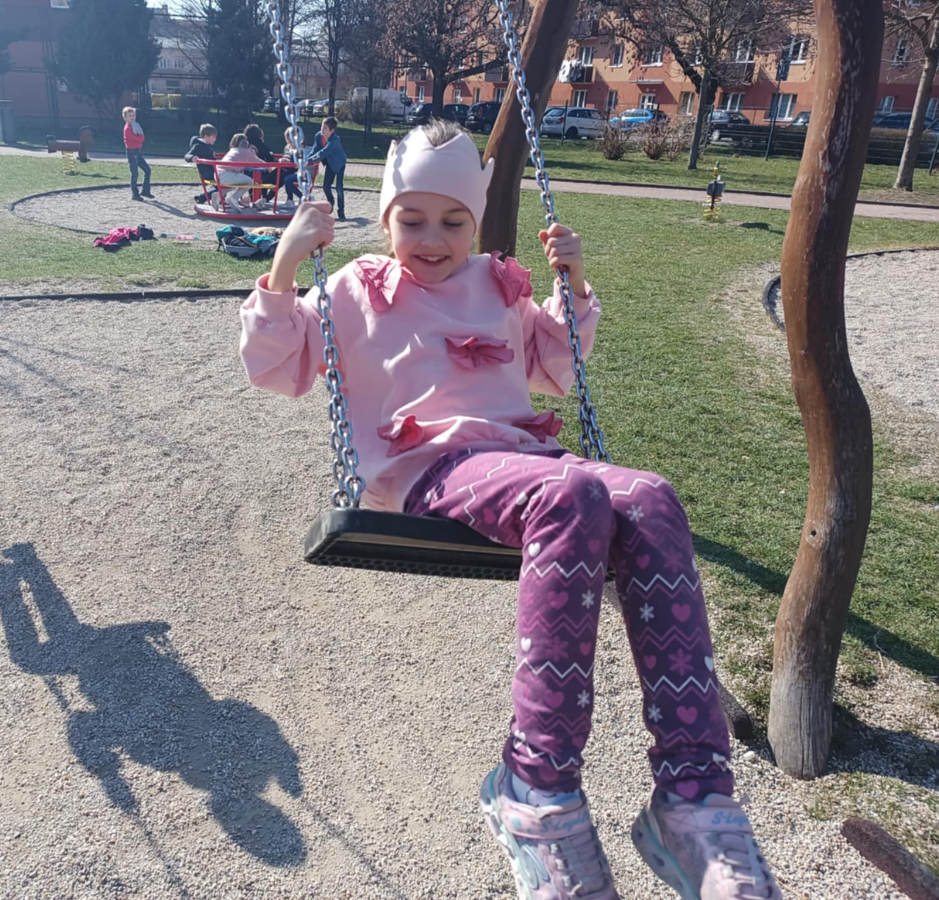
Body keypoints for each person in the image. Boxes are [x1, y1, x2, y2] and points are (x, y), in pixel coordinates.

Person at [239, 119, 782, 900]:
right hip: (429, 469)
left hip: (525, 463)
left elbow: (558, 363)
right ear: (387, 218)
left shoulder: (498, 284)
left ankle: (693, 800)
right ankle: (537, 790)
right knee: (572, 492)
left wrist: (575, 284)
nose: (432, 239)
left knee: (652, 497)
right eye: (412, 219)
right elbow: (275, 365)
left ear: (477, 222)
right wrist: (287, 263)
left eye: (453, 221)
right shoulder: (357, 288)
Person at [306, 116, 347, 220]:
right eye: (322, 127)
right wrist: (307, 159)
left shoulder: (334, 140)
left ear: (332, 130)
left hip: (339, 163)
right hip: (330, 164)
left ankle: (341, 210)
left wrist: (310, 160)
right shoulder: (318, 136)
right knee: (326, 186)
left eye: (325, 128)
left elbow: (323, 152)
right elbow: (315, 149)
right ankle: (331, 202)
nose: (322, 130)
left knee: (339, 187)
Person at [217, 134, 263, 210]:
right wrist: (270, 167)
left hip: (218, 174)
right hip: (227, 174)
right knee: (249, 182)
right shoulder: (244, 151)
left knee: (235, 183)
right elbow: (257, 161)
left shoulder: (232, 150)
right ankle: (234, 198)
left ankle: (218, 195)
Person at [122, 106, 152, 201]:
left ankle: (146, 190)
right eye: (130, 116)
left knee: (147, 170)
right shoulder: (128, 129)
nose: (132, 117)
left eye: (133, 115)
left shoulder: (134, 126)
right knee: (134, 173)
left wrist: (140, 137)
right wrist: (140, 136)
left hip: (137, 151)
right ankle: (135, 194)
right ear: (125, 117)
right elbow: (140, 139)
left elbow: (141, 138)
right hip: (131, 152)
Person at [185, 123, 218, 205]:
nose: (215, 139)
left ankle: (204, 198)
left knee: (222, 187)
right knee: (222, 187)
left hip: (213, 171)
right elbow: (187, 155)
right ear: (206, 137)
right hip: (207, 173)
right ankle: (202, 197)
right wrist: (193, 158)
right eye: (213, 137)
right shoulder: (198, 146)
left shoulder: (207, 145)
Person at [280, 127, 303, 204]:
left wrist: (290, 162)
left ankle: (300, 197)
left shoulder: (300, 148)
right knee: (283, 176)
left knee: (287, 179)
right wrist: (283, 160)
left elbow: (299, 163)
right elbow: (286, 156)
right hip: (290, 170)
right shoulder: (288, 147)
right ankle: (290, 199)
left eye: (290, 140)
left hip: (300, 172)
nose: (289, 142)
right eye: (288, 140)